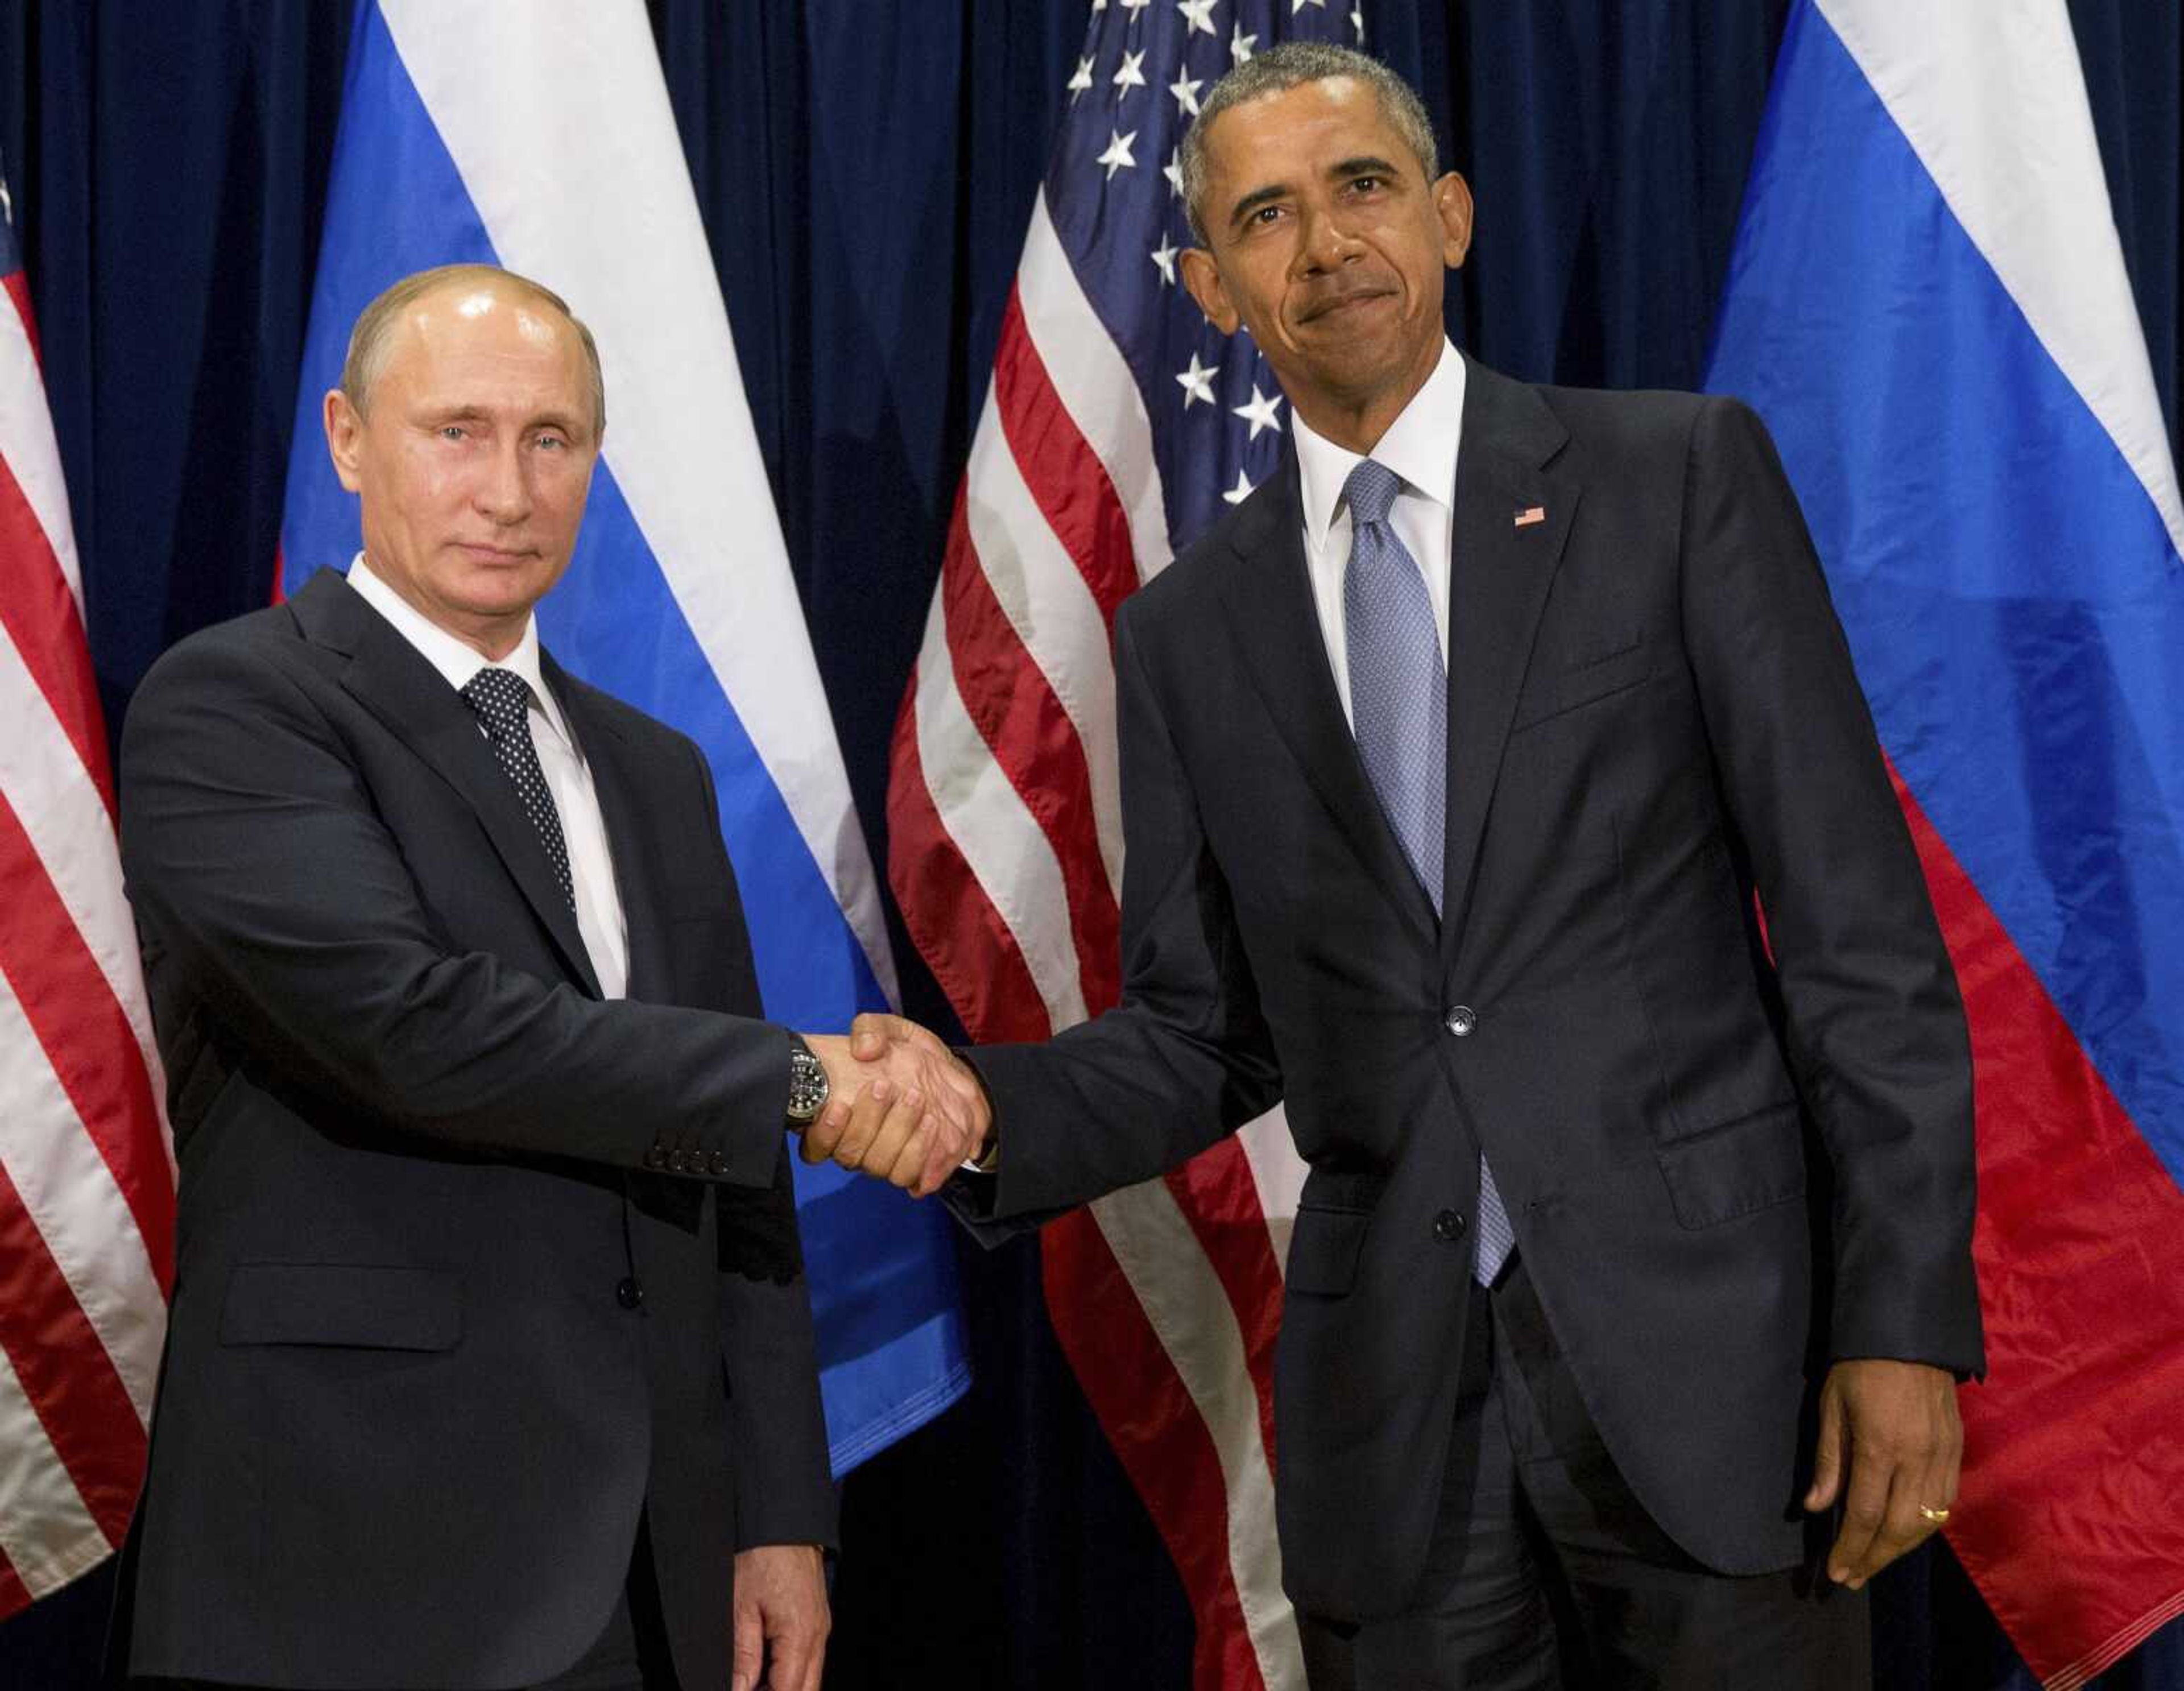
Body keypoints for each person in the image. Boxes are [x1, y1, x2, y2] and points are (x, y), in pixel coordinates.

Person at [825, 44, 1983, 1689]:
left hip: (1720, 1377)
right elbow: (1202, 1026)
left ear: (1446, 217)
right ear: (1214, 289)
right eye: (1266, 217)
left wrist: (1901, 1318)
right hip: (1403, 1436)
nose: (1326, 246)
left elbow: (1861, 933)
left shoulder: (1672, 480)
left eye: (1361, 187)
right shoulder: (1185, 632)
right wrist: (983, 1108)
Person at [114, 263, 969, 1691]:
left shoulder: (655, 768)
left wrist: (777, 1512)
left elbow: (733, 1172)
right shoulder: (238, 704)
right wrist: (811, 1075)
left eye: (551, 438)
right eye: (456, 430)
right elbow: (416, 1028)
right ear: (346, 438)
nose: (508, 489)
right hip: (347, 1558)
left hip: (653, 1569)